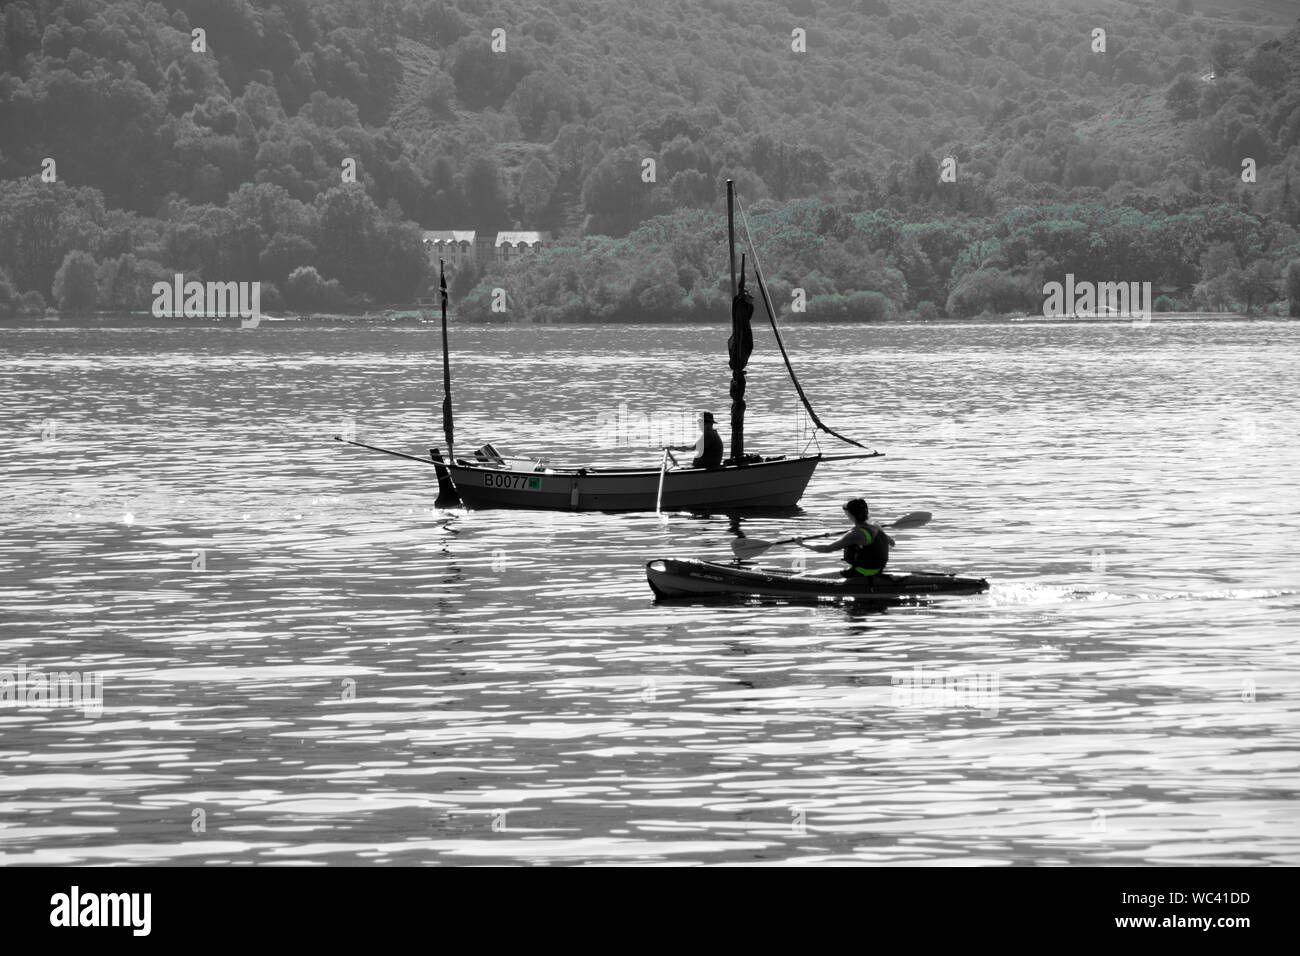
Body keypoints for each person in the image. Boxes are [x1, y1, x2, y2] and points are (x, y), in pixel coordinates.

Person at [796, 498, 894, 579]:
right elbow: (892, 542)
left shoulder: (856, 534)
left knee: (806, 576)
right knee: (813, 572)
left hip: (861, 573)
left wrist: (803, 544)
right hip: (877, 570)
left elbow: (827, 549)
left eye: (847, 513)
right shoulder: (876, 527)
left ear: (850, 515)